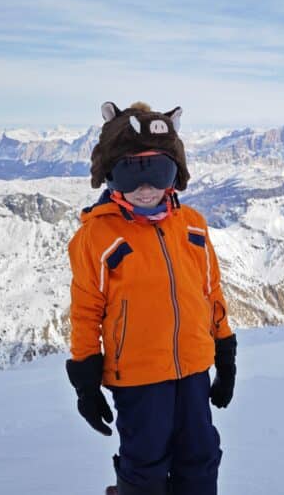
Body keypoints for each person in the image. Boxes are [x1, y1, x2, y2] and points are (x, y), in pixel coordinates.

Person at [65, 101, 237, 495]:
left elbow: (211, 292)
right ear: (109, 174)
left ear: (175, 174)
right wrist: (86, 382)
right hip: (139, 378)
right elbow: (86, 311)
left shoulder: (192, 226)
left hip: (194, 369)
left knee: (201, 455)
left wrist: (224, 354)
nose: (146, 188)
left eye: (158, 171)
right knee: (144, 464)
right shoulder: (97, 237)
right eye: (130, 173)